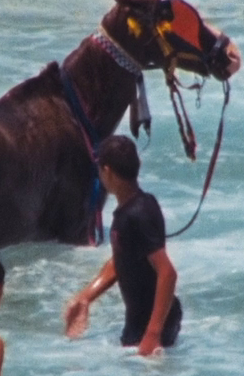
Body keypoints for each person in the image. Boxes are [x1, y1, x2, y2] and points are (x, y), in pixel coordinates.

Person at [64, 135, 181, 357]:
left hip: (151, 326)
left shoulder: (138, 213)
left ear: (107, 171)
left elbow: (167, 273)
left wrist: (153, 333)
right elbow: (123, 258)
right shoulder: (136, 206)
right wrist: (85, 297)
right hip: (140, 322)